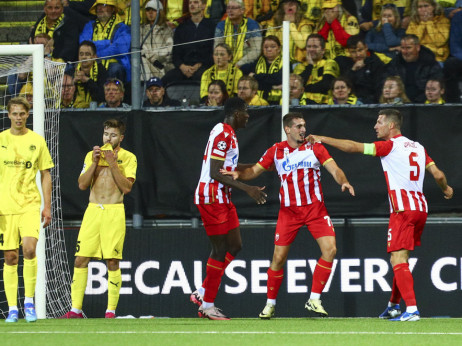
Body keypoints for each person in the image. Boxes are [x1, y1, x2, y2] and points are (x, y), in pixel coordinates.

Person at [307, 108, 453, 322]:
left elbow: (353, 147)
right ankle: (393, 306)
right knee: (400, 258)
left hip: (402, 208)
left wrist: (322, 138)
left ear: (391, 126)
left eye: (379, 122)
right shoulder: (419, 148)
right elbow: (438, 175)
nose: (375, 126)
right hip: (421, 208)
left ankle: (411, 310)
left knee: (398, 258)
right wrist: (446, 189)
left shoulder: (389, 146)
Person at [220, 112, 355, 319]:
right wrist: (240, 174)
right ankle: (270, 304)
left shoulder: (315, 147)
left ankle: (315, 299)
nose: (303, 130)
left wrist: (343, 181)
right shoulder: (276, 150)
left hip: (315, 210)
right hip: (289, 213)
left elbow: (334, 169)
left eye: (304, 126)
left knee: (331, 250)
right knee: (278, 258)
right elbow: (255, 170)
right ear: (288, 129)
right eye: (298, 126)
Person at [191, 97, 267, 320]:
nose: (248, 116)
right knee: (220, 249)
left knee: (235, 245)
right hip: (211, 196)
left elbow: (229, 168)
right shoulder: (224, 134)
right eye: (246, 112)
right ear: (236, 113)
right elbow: (215, 172)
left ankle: (203, 292)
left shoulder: (227, 133)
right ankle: (208, 305)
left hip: (222, 196)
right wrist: (248, 188)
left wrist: (261, 167)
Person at [61, 119, 137, 319]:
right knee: (80, 259)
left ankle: (110, 311)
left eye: (113, 135)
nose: (108, 139)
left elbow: (126, 188)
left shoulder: (129, 158)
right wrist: (94, 163)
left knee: (112, 261)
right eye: (106, 134)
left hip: (114, 211)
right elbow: (82, 185)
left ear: (121, 137)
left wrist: (112, 163)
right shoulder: (91, 156)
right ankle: (75, 310)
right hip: (93, 210)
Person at [0, 97, 54, 323]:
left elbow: (46, 173)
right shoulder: (1, 140)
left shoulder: (37, 141)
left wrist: (47, 206)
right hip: (4, 207)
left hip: (30, 204)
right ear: (9, 115)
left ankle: (29, 302)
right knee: (11, 257)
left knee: (29, 249)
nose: (19, 117)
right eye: (15, 114)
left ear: (27, 114)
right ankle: (13, 308)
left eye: (22, 113)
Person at [161, 0, 215, 86]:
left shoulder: (212, 26)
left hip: (204, 66)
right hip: (184, 67)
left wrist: (199, 65)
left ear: (204, 5)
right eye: (190, 3)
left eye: (196, 2)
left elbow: (212, 52)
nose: (192, 5)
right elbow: (176, 53)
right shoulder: (181, 28)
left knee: (203, 77)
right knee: (164, 80)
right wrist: (182, 66)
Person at [80, 0, 131, 83]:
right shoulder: (89, 25)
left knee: (116, 68)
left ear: (112, 9)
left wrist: (95, 52)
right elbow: (83, 44)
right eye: (98, 5)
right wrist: (107, 43)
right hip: (91, 63)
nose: (99, 8)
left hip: (112, 64)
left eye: (103, 5)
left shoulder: (123, 28)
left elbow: (119, 49)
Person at [385, 34, 443, 103]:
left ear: (418, 47)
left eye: (408, 48)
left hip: (424, 104)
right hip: (400, 104)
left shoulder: (430, 63)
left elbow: (435, 86)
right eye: (403, 48)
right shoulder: (394, 64)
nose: (405, 52)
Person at [341, 35, 389, 104]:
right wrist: (353, 70)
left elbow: (380, 87)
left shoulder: (376, 62)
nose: (358, 54)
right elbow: (343, 86)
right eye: (353, 52)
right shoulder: (345, 64)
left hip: (372, 103)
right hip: (351, 104)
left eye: (360, 50)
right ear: (348, 52)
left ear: (366, 47)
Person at [214, 0, 263, 68]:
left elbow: (256, 51)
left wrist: (239, 64)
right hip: (225, 63)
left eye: (233, 8)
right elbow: (217, 49)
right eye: (228, 8)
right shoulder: (221, 25)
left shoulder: (252, 25)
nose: (230, 10)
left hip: (246, 63)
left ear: (242, 10)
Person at [294, 33, 340, 104]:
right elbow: (296, 86)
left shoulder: (330, 63)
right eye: (309, 46)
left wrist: (305, 88)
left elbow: (326, 85)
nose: (311, 49)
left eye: (315, 47)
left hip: (324, 106)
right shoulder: (299, 66)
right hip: (303, 105)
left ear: (323, 50)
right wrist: (310, 66)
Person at [265, 0, 314, 64]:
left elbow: (302, 44)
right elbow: (269, 43)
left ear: (297, 7)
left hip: (298, 62)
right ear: (282, 7)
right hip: (276, 61)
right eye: (286, 3)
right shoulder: (273, 23)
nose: (290, 5)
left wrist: (291, 25)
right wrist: (284, 26)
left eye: (293, 3)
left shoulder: (305, 23)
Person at [240, 35, 283, 105]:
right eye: (266, 47)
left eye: (273, 46)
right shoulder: (256, 63)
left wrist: (256, 76)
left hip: (279, 103)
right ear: (262, 49)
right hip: (258, 103)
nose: (269, 49)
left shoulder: (286, 63)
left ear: (279, 49)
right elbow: (249, 80)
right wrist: (273, 86)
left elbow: (279, 78)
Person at [141, 0, 174, 81]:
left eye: (154, 10)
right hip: (147, 64)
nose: (150, 13)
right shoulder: (140, 30)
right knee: (142, 60)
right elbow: (140, 49)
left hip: (162, 66)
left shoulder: (167, 30)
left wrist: (153, 57)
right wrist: (153, 60)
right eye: (148, 10)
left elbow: (168, 51)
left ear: (160, 12)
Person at [73, 40, 108, 108]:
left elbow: (102, 97)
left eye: (87, 54)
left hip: (97, 110)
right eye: (81, 54)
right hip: (75, 111)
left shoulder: (102, 71)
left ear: (95, 56)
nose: (84, 57)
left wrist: (88, 81)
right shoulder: (72, 71)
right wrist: (73, 83)